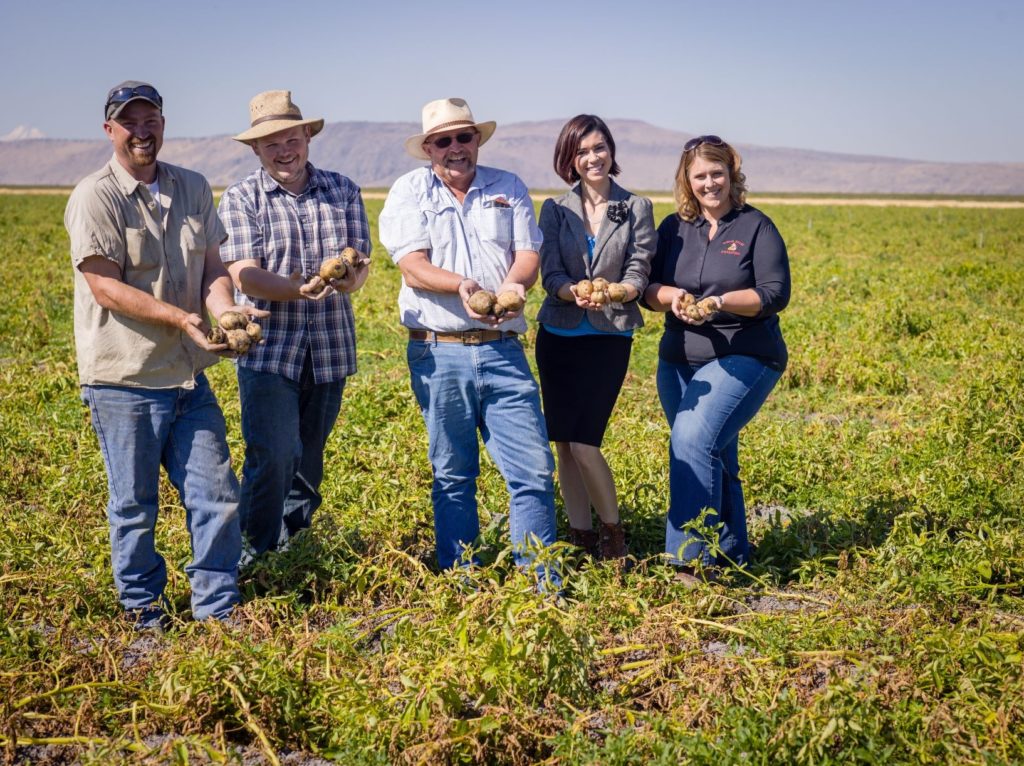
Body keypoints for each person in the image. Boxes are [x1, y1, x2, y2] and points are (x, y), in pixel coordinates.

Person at [66, 81, 261, 630]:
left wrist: (224, 313)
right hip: (124, 379)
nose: (141, 131)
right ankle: (142, 610)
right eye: (130, 122)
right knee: (134, 504)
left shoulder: (192, 187)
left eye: (150, 119)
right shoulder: (94, 196)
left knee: (217, 492)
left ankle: (217, 610)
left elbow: (213, 270)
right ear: (111, 131)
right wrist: (181, 319)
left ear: (163, 123)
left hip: (187, 376)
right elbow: (105, 287)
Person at [378, 97, 557, 582]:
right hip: (439, 349)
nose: (456, 148)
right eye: (444, 141)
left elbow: (527, 253)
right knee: (454, 473)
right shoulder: (409, 192)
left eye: (464, 137)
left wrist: (517, 286)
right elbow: (412, 267)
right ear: (428, 148)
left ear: (477, 139)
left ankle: (541, 585)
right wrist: (464, 286)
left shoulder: (509, 186)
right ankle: (462, 581)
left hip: (503, 350)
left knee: (533, 472)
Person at [218, 90, 371, 561]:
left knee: (308, 459)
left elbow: (359, 261)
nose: (284, 150)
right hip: (269, 349)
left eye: (291, 138)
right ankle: (253, 548)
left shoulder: (342, 189)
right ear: (255, 150)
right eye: (271, 144)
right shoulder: (243, 198)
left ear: (307, 135)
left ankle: (292, 546)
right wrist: (295, 289)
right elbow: (243, 272)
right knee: (274, 454)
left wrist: (350, 280)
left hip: (328, 347)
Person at [642, 135, 790, 584]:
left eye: (717, 173)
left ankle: (690, 561)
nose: (710, 183)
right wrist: (674, 297)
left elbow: (773, 294)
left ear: (732, 174)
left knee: (691, 439)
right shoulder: (673, 228)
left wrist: (719, 301)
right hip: (679, 360)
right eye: (700, 175)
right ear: (687, 180)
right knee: (714, 454)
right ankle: (731, 556)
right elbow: (647, 288)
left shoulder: (755, 226)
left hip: (743, 354)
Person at [535, 115, 655, 562]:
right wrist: (572, 291)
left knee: (586, 442)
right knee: (564, 442)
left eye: (599, 148)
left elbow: (639, 269)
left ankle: (613, 535)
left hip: (608, 336)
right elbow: (551, 274)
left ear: (612, 151)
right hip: (558, 334)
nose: (592, 158)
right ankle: (580, 534)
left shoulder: (635, 207)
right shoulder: (554, 208)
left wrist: (616, 291)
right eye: (582, 151)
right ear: (569, 159)